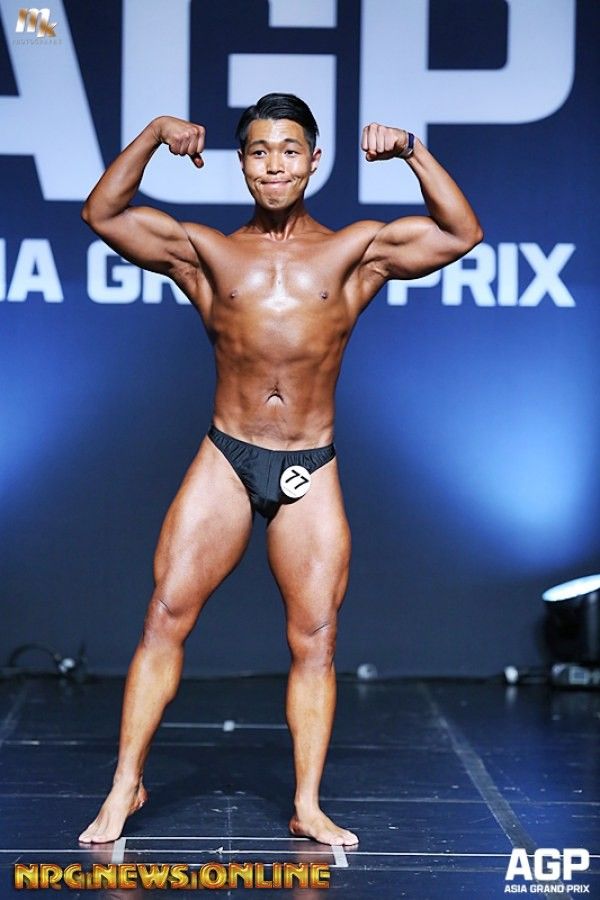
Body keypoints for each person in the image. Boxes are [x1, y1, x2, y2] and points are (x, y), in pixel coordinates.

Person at [78, 93, 482, 847]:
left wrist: (411, 150)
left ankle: (307, 804)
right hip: (227, 456)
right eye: (260, 152)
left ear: (314, 161)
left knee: (315, 638)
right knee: (166, 615)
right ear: (242, 163)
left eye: (290, 150)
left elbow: (462, 232)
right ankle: (125, 783)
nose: (274, 166)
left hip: (310, 463)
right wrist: (154, 134)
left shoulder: (354, 250)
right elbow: (102, 213)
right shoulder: (206, 251)